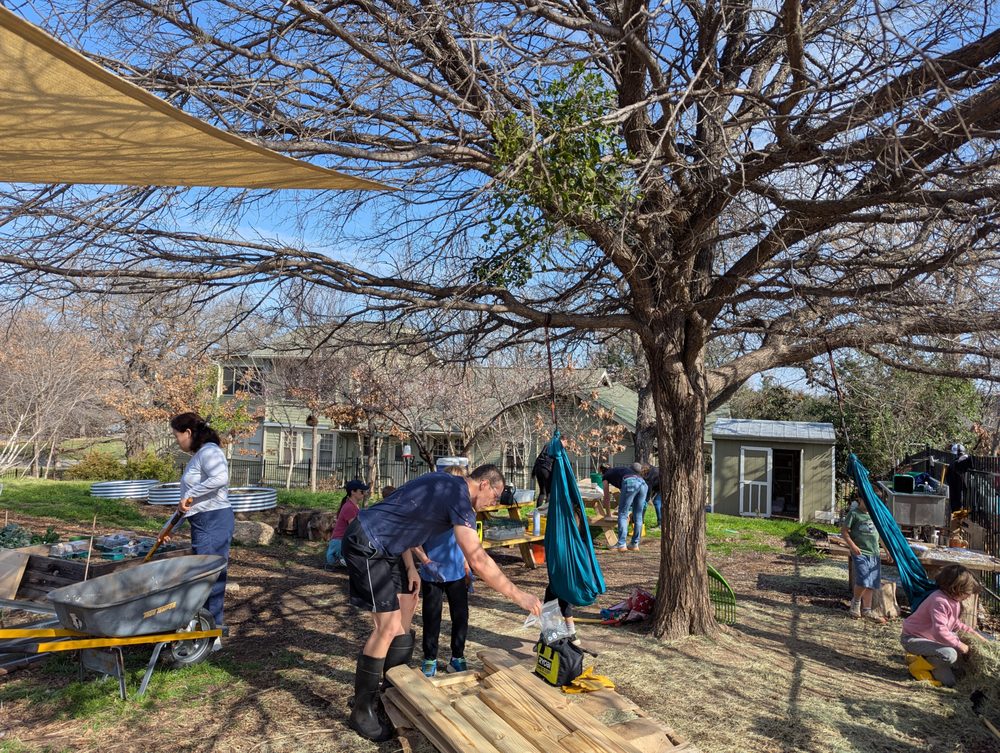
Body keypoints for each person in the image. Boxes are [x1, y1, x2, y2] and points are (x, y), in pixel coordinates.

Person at [342, 464, 542, 741]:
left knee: (403, 621)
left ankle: (389, 695)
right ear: (484, 484)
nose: (493, 503)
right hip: (367, 543)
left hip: (390, 548)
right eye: (495, 496)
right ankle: (362, 710)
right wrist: (519, 595)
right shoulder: (459, 496)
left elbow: (404, 515)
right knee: (386, 627)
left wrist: (412, 567)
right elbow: (478, 559)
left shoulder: (444, 482)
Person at [170, 412, 234, 637]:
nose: (176, 441)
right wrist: (169, 527)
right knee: (205, 576)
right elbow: (187, 501)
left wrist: (191, 495)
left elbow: (220, 479)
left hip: (213, 520)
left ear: (188, 433)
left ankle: (209, 634)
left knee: (209, 577)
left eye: (176, 435)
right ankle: (205, 628)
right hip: (202, 521)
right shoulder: (198, 456)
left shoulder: (209, 452)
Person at [901, 564, 987, 687]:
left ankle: (924, 659)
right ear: (956, 588)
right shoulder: (939, 601)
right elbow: (940, 632)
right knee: (949, 654)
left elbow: (955, 623)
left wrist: (977, 636)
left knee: (951, 681)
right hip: (912, 638)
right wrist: (960, 645)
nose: (969, 596)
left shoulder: (954, 601)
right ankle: (917, 666)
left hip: (929, 639)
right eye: (967, 593)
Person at [840, 494, 885, 624]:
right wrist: (852, 546)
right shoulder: (854, 514)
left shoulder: (875, 515)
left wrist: (887, 551)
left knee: (871, 582)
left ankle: (867, 609)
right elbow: (844, 532)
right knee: (863, 579)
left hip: (874, 553)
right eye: (866, 499)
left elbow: (880, 536)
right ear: (860, 499)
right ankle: (856, 602)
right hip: (860, 552)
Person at [600, 464, 648, 551]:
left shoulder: (605, 476)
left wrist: (608, 514)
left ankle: (621, 544)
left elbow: (606, 497)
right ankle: (634, 544)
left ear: (601, 472)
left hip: (630, 482)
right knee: (638, 515)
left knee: (622, 514)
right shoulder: (618, 469)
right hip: (643, 483)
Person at [326, 480, 369, 567]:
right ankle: (340, 560)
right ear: (353, 492)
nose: (364, 494)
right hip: (340, 544)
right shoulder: (349, 507)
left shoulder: (353, 505)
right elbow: (355, 529)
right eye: (361, 491)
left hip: (343, 542)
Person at [945, 443, 972, 515]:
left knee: (958, 506)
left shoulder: (959, 461)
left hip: (958, 489)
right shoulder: (958, 461)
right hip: (958, 489)